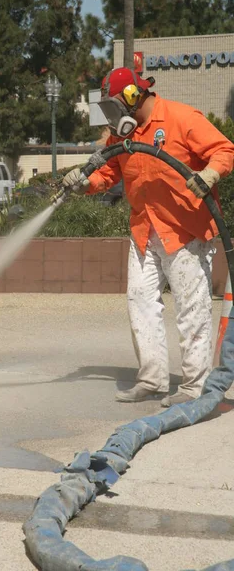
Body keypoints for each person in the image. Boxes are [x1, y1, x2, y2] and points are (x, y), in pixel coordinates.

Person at [63, 67, 234, 407]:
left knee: (191, 307)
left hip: (185, 231)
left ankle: (194, 386)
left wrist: (210, 173)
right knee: (140, 302)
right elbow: (109, 171)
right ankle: (152, 378)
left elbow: (225, 149)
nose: (113, 118)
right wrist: (85, 183)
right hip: (145, 231)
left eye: (114, 107)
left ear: (132, 96)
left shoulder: (181, 118)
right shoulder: (122, 138)